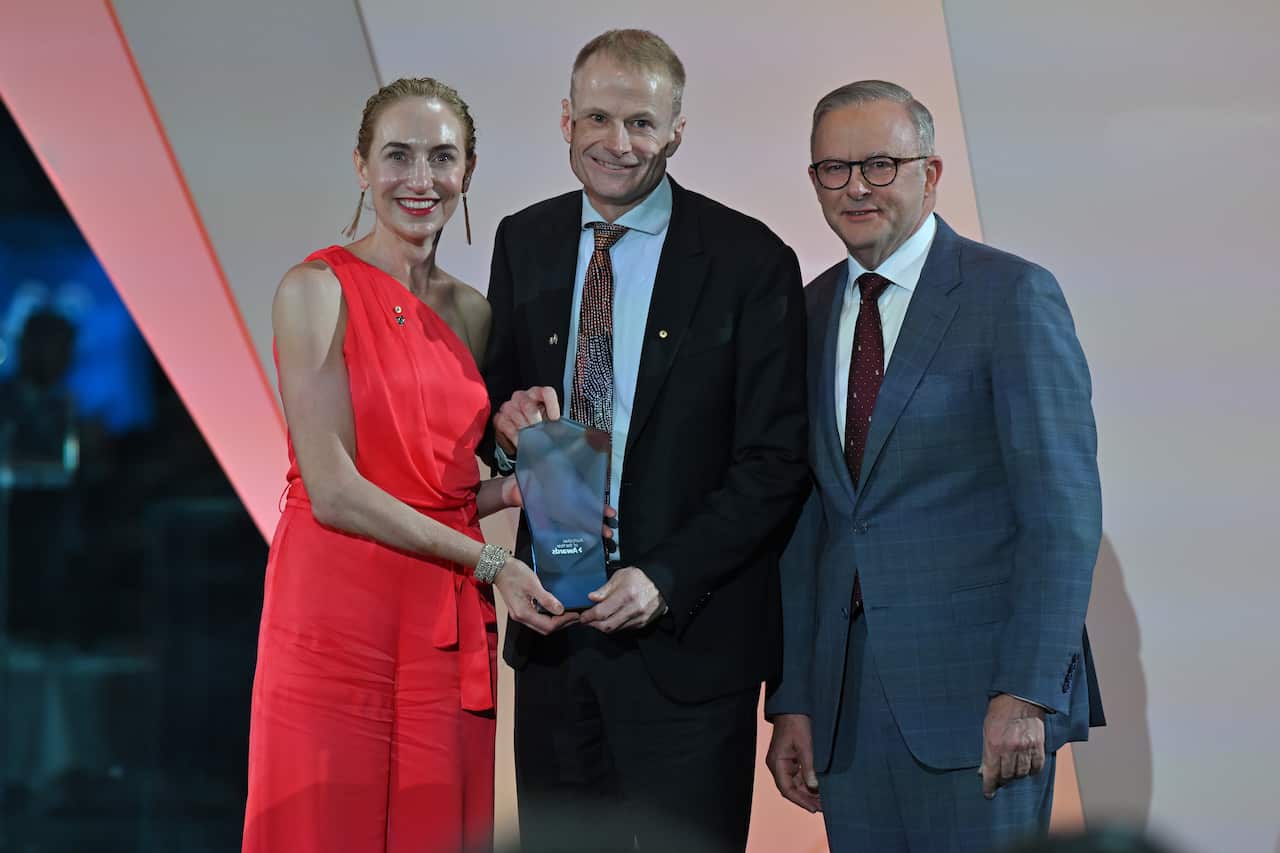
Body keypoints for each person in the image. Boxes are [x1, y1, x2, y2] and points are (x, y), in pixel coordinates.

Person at [482, 29, 809, 852]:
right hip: (557, 642)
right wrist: (503, 425)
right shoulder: (524, 240)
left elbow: (775, 463)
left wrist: (664, 577)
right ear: (564, 120)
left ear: (676, 132)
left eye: (640, 123)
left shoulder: (749, 259)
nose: (616, 144)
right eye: (597, 117)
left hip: (689, 650)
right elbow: (496, 413)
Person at [764, 80, 1106, 852]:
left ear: (933, 172)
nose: (856, 186)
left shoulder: (1011, 295)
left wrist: (1024, 689)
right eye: (833, 169)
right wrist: (794, 697)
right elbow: (806, 523)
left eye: (880, 165)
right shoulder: (808, 312)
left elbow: (1062, 513)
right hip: (846, 712)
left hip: (982, 700)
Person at [241, 77, 576, 853]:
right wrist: (492, 558)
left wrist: (519, 485)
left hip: (442, 622)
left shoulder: (473, 310)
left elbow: (441, 479)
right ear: (361, 165)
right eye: (397, 156)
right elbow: (334, 490)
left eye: (441, 158)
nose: (419, 180)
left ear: (469, 170)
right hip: (336, 612)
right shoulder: (314, 289)